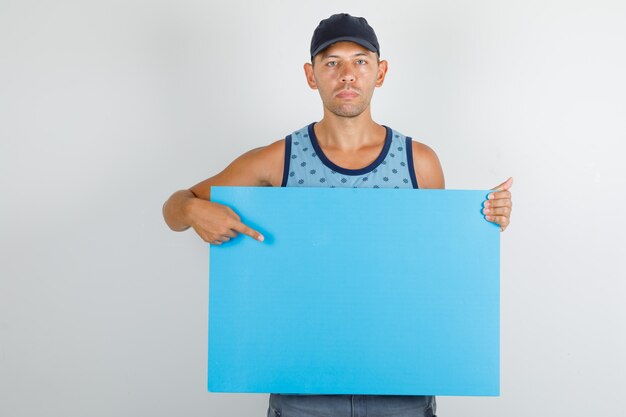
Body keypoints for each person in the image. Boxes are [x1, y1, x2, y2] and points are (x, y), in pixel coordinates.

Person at [163, 12, 513, 417]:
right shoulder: (277, 160)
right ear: (312, 76)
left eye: (360, 61)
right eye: (332, 63)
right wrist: (192, 209)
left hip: (401, 382)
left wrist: (485, 221)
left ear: (380, 73)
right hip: (303, 387)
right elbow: (174, 208)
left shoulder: (419, 162)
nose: (347, 74)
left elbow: (435, 273)